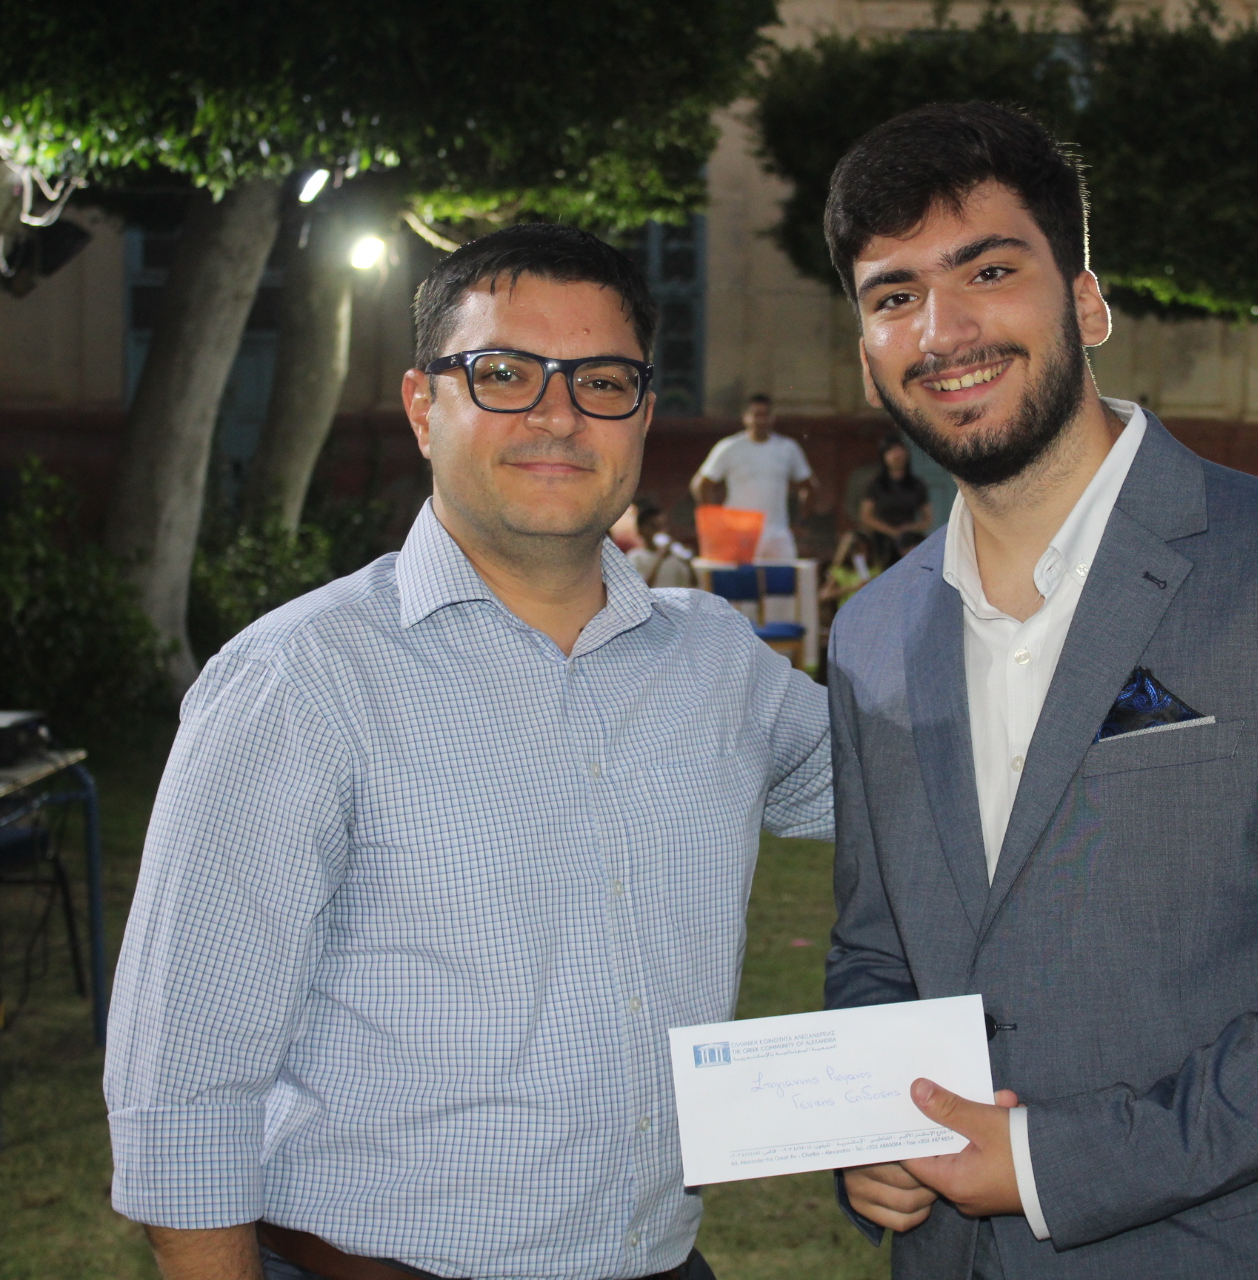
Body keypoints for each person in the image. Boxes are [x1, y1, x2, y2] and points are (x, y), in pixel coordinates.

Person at [820, 103, 1258, 1279]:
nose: (943, 328)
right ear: (867, 346)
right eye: (894, 295)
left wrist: (1051, 1163)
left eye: (989, 271)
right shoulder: (871, 634)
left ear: (1086, 302)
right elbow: (879, 952)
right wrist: (872, 1131)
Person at [104, 223, 832, 1280]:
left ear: (642, 416)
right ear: (421, 406)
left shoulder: (717, 664)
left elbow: (924, 790)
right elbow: (182, 1075)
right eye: (503, 374)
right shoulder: (300, 681)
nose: (557, 415)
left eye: (602, 381)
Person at [690, 393, 815, 561]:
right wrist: (716, 523)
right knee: (740, 578)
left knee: (785, 576)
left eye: (765, 415)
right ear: (746, 417)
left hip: (777, 534)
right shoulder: (730, 447)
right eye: (756, 415)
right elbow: (701, 484)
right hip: (740, 534)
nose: (760, 420)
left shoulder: (787, 448)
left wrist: (802, 521)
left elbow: (809, 486)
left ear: (772, 418)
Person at [858, 435, 933, 566]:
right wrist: (892, 532)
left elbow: (927, 519)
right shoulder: (876, 484)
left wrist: (909, 528)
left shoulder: (917, 484)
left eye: (900, 450)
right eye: (891, 451)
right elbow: (866, 516)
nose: (897, 455)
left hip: (908, 539)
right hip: (882, 539)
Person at [626, 497, 697, 589]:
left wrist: (688, 563)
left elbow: (692, 584)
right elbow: (641, 587)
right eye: (653, 526)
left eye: (662, 526)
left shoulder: (673, 557)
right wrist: (659, 559)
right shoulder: (635, 557)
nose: (660, 531)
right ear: (640, 530)